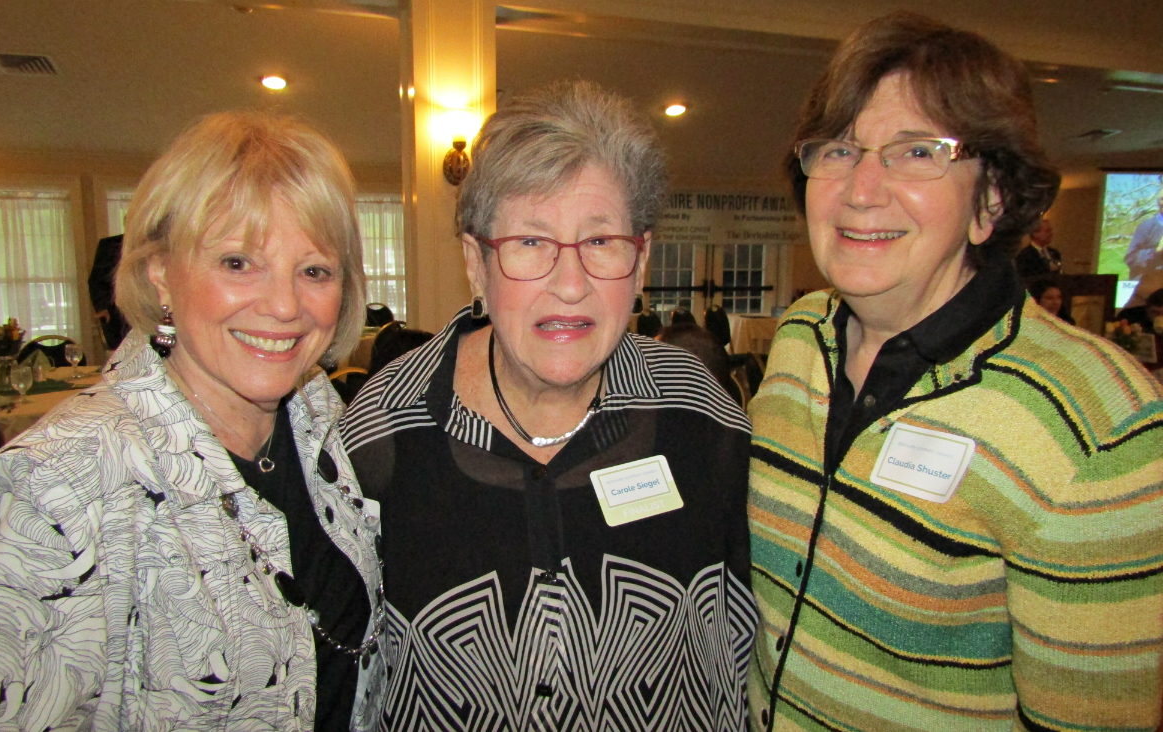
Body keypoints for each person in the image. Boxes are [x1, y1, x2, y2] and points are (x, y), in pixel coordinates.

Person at [748, 13, 1162, 732]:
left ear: (991, 199)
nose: (861, 189)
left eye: (917, 152)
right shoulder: (798, 339)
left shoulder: (1101, 422)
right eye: (839, 149)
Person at [340, 80, 755, 730]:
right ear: (476, 263)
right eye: (531, 243)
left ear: (642, 260)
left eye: (600, 241)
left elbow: (743, 634)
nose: (570, 284)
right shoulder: (385, 428)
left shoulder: (701, 413)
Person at [0, 112, 387, 731]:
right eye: (238, 262)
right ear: (160, 272)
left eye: (314, 270)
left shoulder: (319, 418)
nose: (284, 305)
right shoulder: (54, 487)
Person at [89, 233, 129, 350]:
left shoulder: (159, 241)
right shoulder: (110, 245)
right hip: (118, 316)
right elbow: (97, 280)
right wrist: (103, 307)